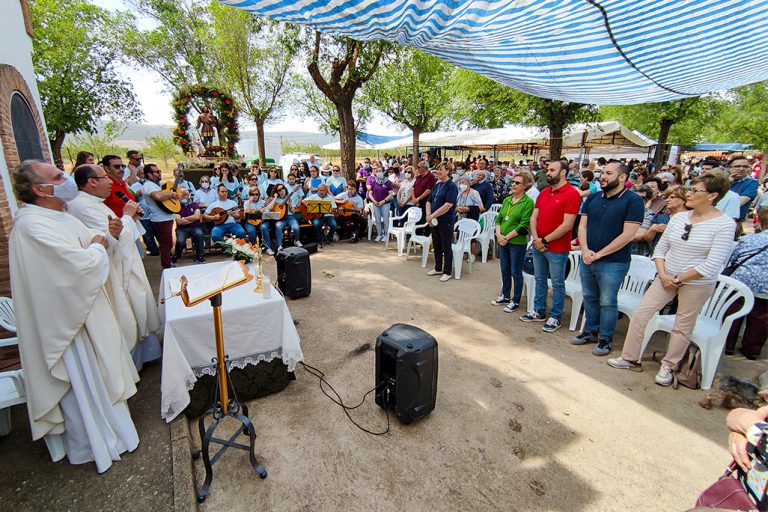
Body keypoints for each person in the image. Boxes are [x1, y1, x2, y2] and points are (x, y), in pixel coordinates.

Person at [10, 160, 139, 473]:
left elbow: (94, 246)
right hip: (70, 324)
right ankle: (95, 442)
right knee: (86, 383)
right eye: (57, 176)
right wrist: (96, 246)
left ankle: (118, 432)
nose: (66, 179)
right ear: (40, 189)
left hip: (89, 310)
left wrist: (105, 238)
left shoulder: (59, 215)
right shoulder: (31, 226)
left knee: (104, 375)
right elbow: (75, 267)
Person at [608, 174, 736, 386]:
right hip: (666, 275)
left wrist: (679, 278)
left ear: (713, 195)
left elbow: (713, 263)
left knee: (682, 325)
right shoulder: (678, 218)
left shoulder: (724, 224)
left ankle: (669, 365)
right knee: (641, 313)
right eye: (690, 189)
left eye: (696, 191)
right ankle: (630, 357)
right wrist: (663, 273)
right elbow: (661, 248)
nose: (690, 194)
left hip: (696, 282)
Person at [68, 163, 163, 370]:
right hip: (115, 269)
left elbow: (117, 230)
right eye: (105, 177)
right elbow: (111, 238)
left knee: (138, 309)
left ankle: (146, 354)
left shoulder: (96, 202)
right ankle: (133, 362)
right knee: (129, 314)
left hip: (124, 262)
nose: (110, 181)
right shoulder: (81, 206)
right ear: (92, 182)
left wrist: (130, 217)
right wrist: (128, 216)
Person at [572, 162, 644, 355]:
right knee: (590, 297)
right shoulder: (593, 198)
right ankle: (590, 331)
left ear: (622, 177)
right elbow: (582, 227)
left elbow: (628, 235)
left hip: (613, 262)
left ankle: (605, 338)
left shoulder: (633, 201)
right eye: (602, 173)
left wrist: (600, 254)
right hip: (588, 257)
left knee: (607, 301)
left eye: (608, 173)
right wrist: (585, 250)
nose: (603, 176)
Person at [520, 161, 581, 332]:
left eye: (552, 170)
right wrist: (536, 238)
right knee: (540, 279)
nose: (548, 173)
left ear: (563, 173)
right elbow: (534, 217)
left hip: (557, 248)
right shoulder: (544, 192)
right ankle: (539, 310)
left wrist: (544, 240)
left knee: (557, 283)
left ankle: (555, 316)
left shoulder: (572, 194)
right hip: (539, 244)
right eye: (548, 170)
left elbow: (567, 225)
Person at [724, 208, 768, 360]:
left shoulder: (748, 239)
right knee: (760, 319)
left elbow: (734, 258)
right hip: (765, 288)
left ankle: (727, 344)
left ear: (761, 223)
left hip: (740, 283)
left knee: (733, 313)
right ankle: (752, 350)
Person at [491, 172, 534, 312]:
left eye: (517, 183)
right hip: (502, 240)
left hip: (517, 242)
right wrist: (498, 234)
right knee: (504, 269)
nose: (513, 184)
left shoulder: (528, 203)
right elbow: (499, 219)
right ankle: (505, 295)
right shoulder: (507, 200)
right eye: (513, 182)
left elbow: (524, 225)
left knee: (516, 272)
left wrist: (506, 237)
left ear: (525, 185)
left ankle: (515, 300)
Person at [138, 163, 179, 269]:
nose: (159, 173)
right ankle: (166, 266)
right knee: (166, 244)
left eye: (159, 171)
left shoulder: (155, 184)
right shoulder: (148, 185)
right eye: (156, 172)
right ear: (149, 174)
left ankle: (167, 263)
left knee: (166, 243)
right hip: (161, 219)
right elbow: (157, 196)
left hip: (165, 217)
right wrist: (171, 195)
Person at [425, 162, 459, 282]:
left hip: (445, 221)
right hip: (434, 220)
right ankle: (438, 267)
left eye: (441, 170)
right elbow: (429, 201)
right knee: (436, 245)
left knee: (446, 246)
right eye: (438, 169)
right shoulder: (437, 184)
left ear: (448, 171)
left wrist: (432, 215)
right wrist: (429, 216)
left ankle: (447, 271)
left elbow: (448, 205)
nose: (438, 172)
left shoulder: (452, 186)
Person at [172, 188, 206, 264]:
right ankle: (176, 256)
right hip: (182, 229)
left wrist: (184, 218)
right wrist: (192, 218)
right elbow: (178, 221)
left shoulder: (194, 204)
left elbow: (197, 216)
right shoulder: (176, 207)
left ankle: (199, 256)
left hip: (195, 227)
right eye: (181, 195)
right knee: (180, 241)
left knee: (199, 234)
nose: (183, 196)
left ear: (188, 195)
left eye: (185, 194)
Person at [729, 156, 760, 232]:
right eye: (737, 166)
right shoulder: (722, 180)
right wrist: (727, 183)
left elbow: (737, 203)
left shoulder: (752, 183)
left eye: (745, 167)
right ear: (729, 168)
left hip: (733, 222)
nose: (741, 169)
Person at [368, 166, 394, 242]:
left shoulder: (387, 182)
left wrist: (384, 201)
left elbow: (391, 194)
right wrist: (373, 201)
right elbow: (370, 193)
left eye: (380, 171)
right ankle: (379, 235)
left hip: (385, 204)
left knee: (385, 220)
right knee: (377, 220)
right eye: (377, 171)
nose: (378, 172)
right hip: (376, 204)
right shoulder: (374, 182)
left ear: (383, 172)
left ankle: (386, 234)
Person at [413, 160, 436, 235]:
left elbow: (428, 190)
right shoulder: (418, 177)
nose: (417, 169)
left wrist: (418, 199)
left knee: (425, 220)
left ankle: (426, 238)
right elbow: (413, 188)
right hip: (416, 202)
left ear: (424, 168)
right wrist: (414, 199)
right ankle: (417, 237)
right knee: (417, 220)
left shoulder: (431, 177)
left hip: (425, 202)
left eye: (419, 167)